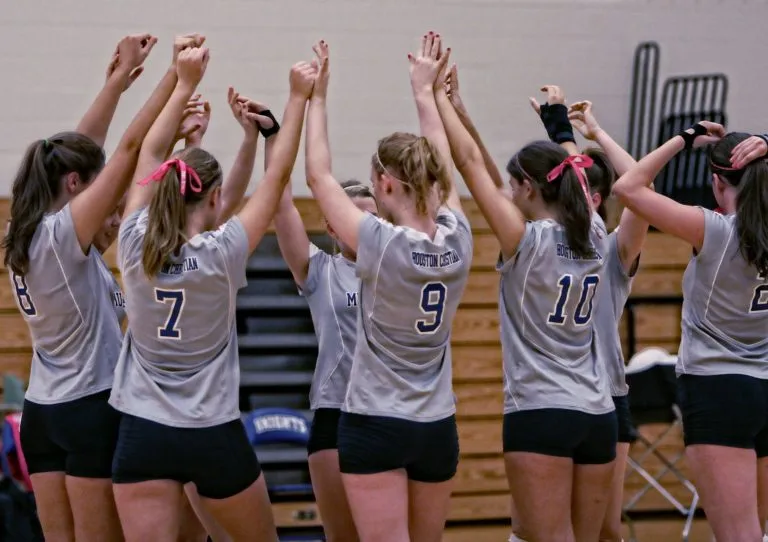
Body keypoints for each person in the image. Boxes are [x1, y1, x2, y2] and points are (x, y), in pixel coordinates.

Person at [108, 43, 317, 542]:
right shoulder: (221, 254)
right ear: (217, 199)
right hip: (211, 432)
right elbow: (275, 180)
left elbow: (151, 152)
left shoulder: (133, 242)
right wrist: (291, 104)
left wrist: (182, 83)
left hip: (142, 432)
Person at [1, 32, 197, 542]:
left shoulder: (21, 229)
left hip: (44, 414)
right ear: (73, 186)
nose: (105, 207)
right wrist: (176, 78)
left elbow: (76, 149)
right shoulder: (63, 237)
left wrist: (115, 82)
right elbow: (129, 149)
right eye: (93, 187)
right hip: (90, 407)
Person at [304, 35, 472, 542]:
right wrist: (425, 93)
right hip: (437, 425)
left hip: (375, 421)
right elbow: (446, 169)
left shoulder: (378, 240)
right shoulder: (459, 238)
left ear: (385, 186)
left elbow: (318, 176)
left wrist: (317, 97)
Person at [439, 70, 618, 541]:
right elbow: (573, 164)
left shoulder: (523, 240)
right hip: (598, 414)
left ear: (529, 190)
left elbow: (469, 163)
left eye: (513, 185)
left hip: (542, 411)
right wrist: (557, 123)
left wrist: (435, 99)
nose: (507, 191)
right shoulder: (595, 229)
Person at [613, 123, 768, 542]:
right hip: (765, 387)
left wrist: (684, 137)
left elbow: (628, 187)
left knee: (738, 536)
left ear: (717, 182)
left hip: (717, 390)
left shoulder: (714, 229)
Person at [273, 175, 377, 542]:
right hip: (337, 412)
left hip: (390, 411)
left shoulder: (398, 267)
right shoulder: (321, 270)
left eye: (374, 217)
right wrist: (272, 140)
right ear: (332, 225)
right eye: (356, 216)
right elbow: (281, 204)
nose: (367, 226)